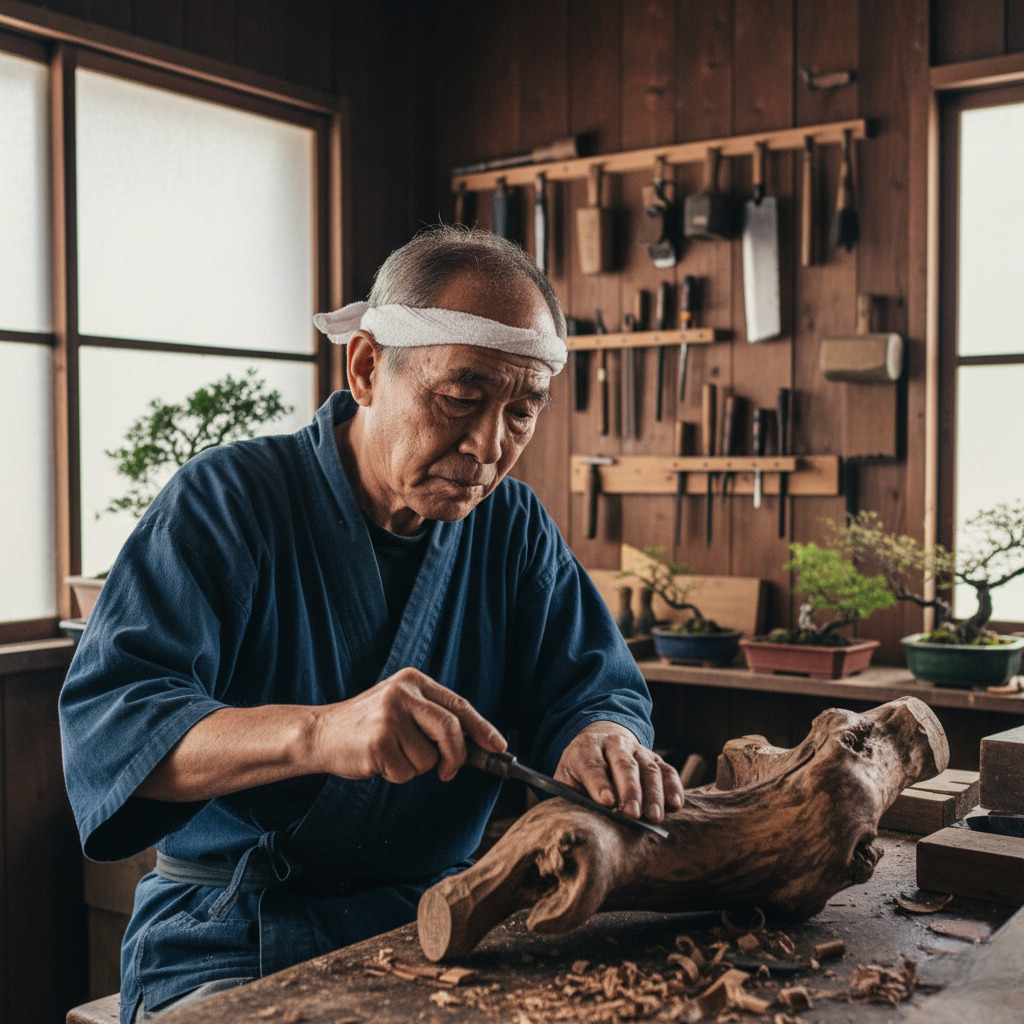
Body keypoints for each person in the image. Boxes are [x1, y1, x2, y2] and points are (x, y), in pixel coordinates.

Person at [59, 226, 684, 1023]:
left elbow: (591, 683)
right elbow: (115, 731)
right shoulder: (228, 501)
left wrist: (599, 732)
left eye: (521, 412)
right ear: (365, 367)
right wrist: (320, 733)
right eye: (461, 397)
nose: (489, 445)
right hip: (233, 936)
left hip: (450, 927)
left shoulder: (513, 528)